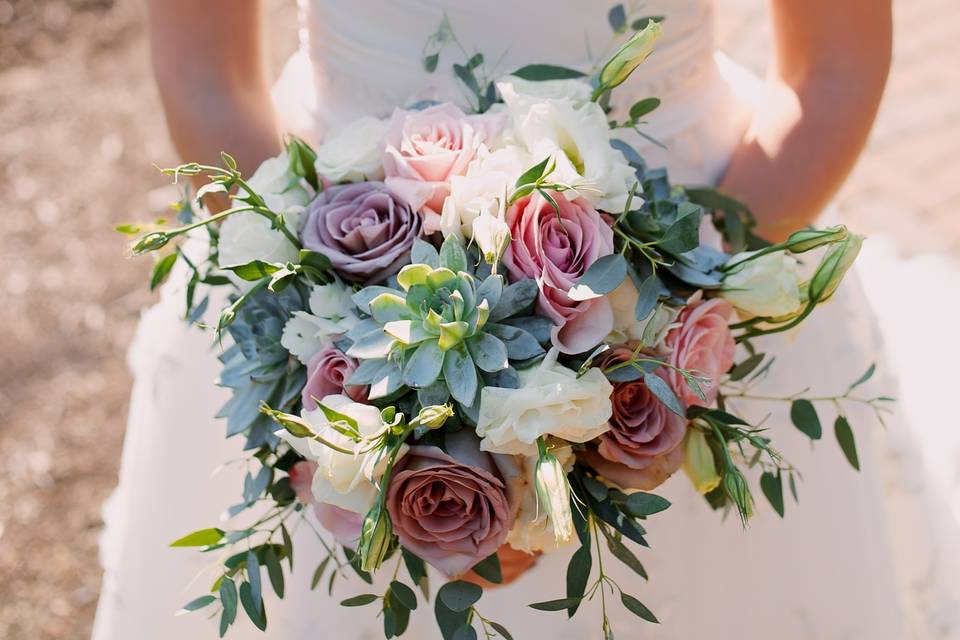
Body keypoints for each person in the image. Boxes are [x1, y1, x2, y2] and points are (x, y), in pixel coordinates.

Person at [93, 1, 960, 638]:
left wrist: (657, 343)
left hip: (699, 252)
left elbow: (832, 71)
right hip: (335, 253)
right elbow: (208, 73)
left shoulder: (679, 312)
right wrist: (335, 365)